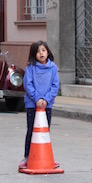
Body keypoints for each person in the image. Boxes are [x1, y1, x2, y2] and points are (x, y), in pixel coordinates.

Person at [19, 40, 60, 170]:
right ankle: (27, 157)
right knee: (31, 130)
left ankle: (46, 156)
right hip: (32, 104)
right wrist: (37, 99)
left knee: (44, 131)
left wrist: (46, 100)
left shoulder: (53, 68)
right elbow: (28, 84)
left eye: (43, 50)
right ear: (33, 54)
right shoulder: (30, 68)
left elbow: (55, 86)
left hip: (46, 105)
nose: (41, 53)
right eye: (37, 51)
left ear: (48, 52)